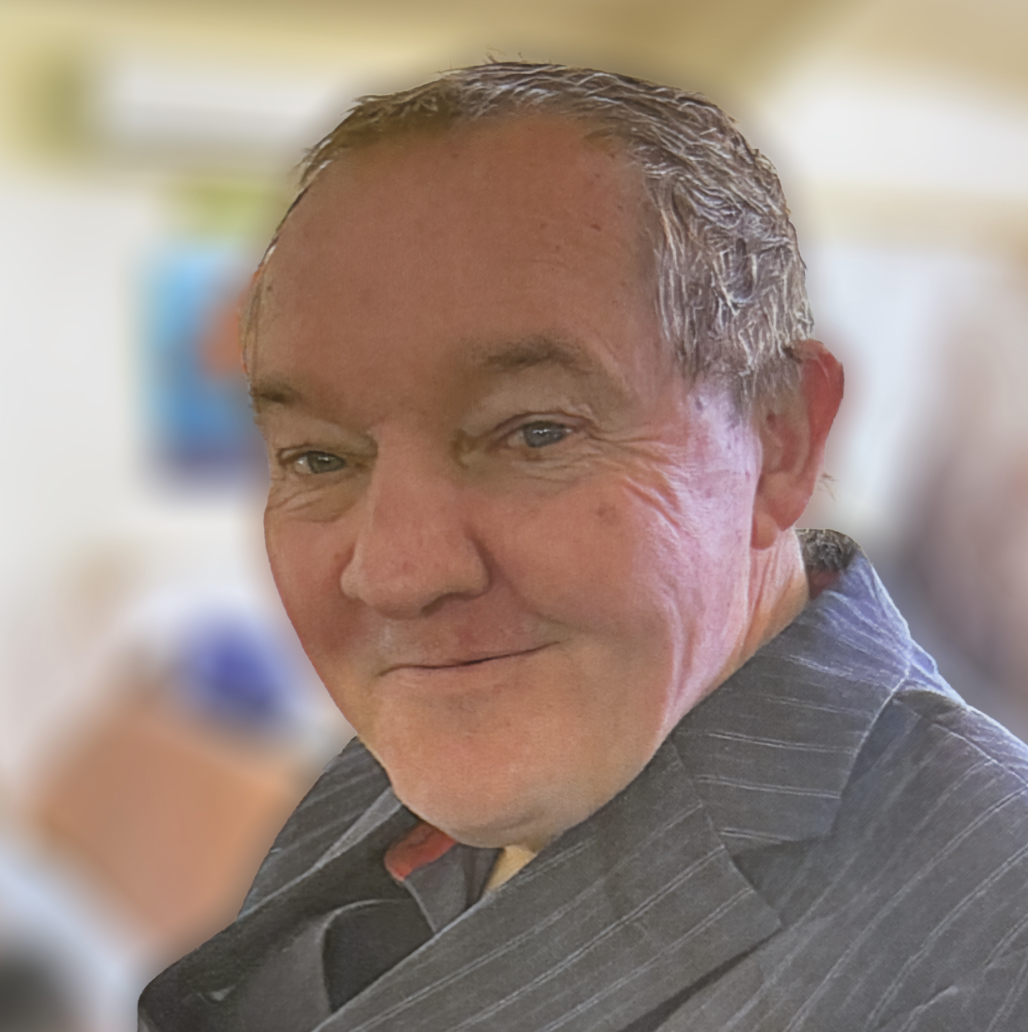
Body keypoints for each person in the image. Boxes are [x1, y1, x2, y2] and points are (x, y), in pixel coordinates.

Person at [139, 63, 1028, 1031]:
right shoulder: (413, 763)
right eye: (318, 458)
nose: (396, 573)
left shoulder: (990, 938)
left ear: (778, 441)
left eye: (534, 434)